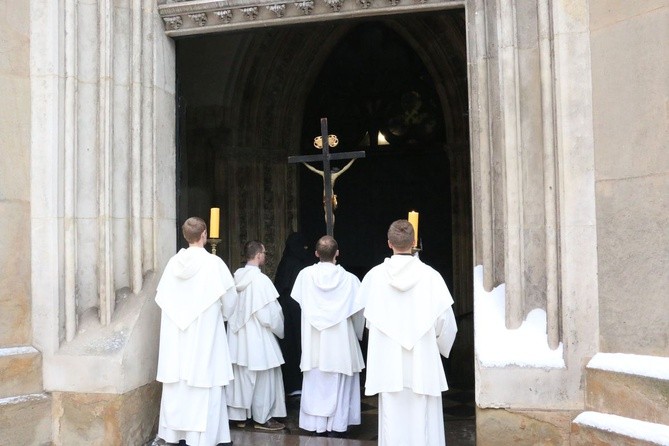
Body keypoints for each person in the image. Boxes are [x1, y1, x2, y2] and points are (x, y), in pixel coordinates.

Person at [357, 219, 458, 446]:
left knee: (392, 421)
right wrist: (438, 349)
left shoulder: (374, 277)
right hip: (422, 361)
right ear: (414, 243)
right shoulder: (431, 276)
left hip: (388, 363)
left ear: (389, 243)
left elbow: (366, 320)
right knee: (425, 422)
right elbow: (446, 324)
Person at [155, 217, 237, 446]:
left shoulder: (172, 264)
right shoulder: (214, 263)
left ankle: (173, 435)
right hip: (205, 335)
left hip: (177, 339)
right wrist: (223, 316)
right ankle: (204, 438)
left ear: (185, 236)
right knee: (204, 380)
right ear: (204, 235)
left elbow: (162, 297)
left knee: (178, 384)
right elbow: (230, 300)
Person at [291, 235, 365, 436]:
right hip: (340, 342)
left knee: (315, 379)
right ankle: (338, 425)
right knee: (338, 380)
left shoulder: (304, 276)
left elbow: (299, 302)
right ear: (337, 253)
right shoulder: (350, 280)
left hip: (314, 341)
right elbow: (359, 313)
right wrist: (358, 335)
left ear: (316, 253)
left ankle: (315, 425)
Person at [226, 240, 287, 431]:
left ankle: (238, 417)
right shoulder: (261, 281)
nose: (265, 255)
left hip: (238, 339)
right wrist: (281, 330)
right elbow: (269, 314)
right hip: (257, 337)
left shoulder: (234, 278)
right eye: (265, 252)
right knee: (264, 378)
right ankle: (263, 418)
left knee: (241, 377)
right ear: (259, 255)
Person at [274, 232, 314, 396]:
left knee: (291, 346)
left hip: (288, 310)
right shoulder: (304, 264)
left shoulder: (286, 263)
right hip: (299, 310)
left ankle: (293, 383)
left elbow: (279, 286)